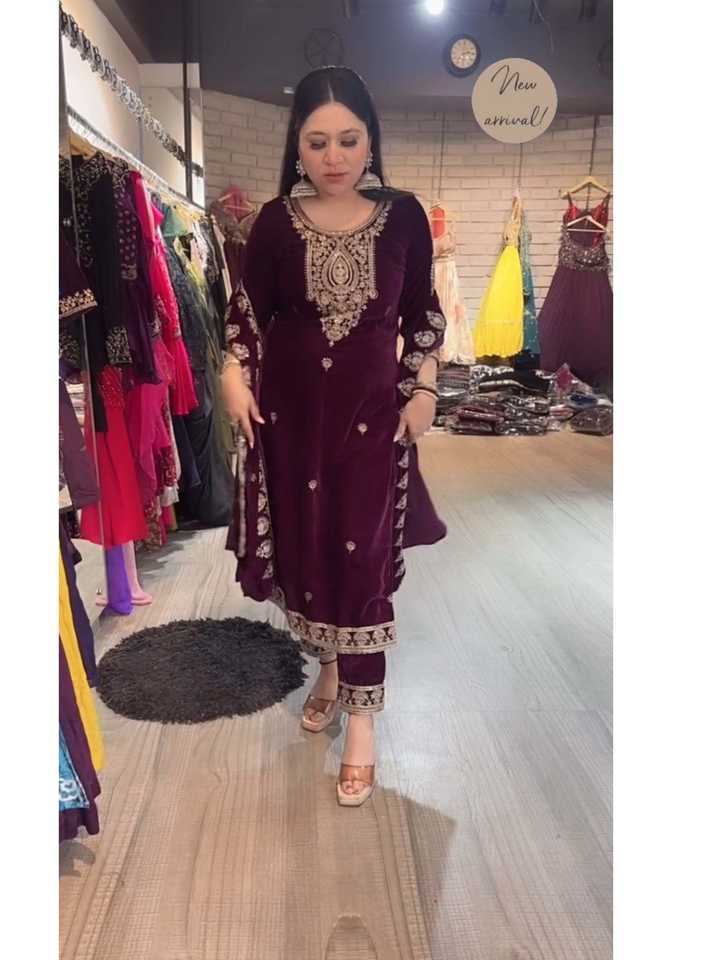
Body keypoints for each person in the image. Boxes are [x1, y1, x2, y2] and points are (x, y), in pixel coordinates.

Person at [220, 66, 447, 807]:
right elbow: (247, 316)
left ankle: (363, 727)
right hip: (290, 422)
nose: (334, 156)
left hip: (370, 423)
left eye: (349, 139)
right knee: (309, 551)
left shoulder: (403, 216)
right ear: (297, 147)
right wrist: (232, 375)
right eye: (317, 142)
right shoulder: (275, 223)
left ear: (371, 139)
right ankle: (326, 668)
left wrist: (424, 388)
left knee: (362, 558)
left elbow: (423, 317)